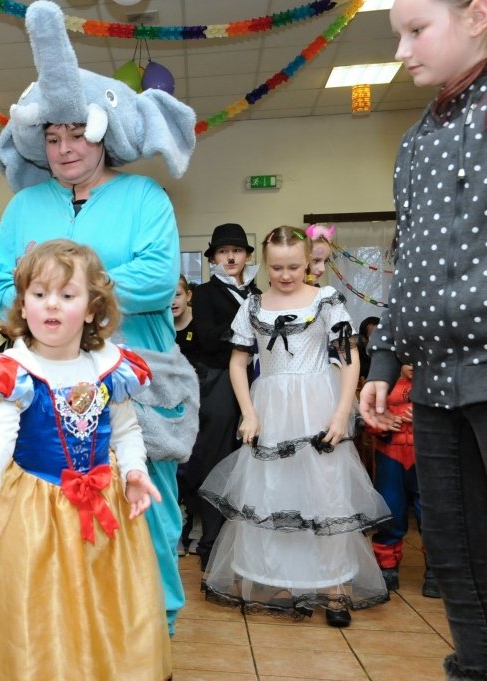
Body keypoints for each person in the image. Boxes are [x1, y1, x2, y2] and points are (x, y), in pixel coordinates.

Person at [0, 3, 198, 635]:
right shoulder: (24, 206)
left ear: (102, 135)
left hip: (137, 376)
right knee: (54, 507)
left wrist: (62, 293)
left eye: (76, 134)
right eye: (52, 138)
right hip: (46, 387)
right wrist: (47, 299)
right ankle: (72, 637)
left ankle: (155, 631)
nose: (65, 148)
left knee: (146, 502)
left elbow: (157, 279)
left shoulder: (145, 196)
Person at [0, 239, 170, 680]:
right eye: (39, 293)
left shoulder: (110, 367)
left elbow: (125, 429)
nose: (51, 304)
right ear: (23, 304)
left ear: (91, 309)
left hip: (103, 508)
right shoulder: (15, 371)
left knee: (106, 605)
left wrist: (133, 471)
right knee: (42, 608)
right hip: (36, 513)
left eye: (67, 295)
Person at [359, 2, 487, 677]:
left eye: (416, 31)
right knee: (455, 545)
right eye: (398, 35)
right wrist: (385, 358)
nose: (403, 51)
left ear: (476, 16)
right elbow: (408, 262)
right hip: (435, 383)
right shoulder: (415, 141)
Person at [200, 226, 390, 629]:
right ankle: (283, 580)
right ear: (265, 264)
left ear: (308, 263)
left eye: (293, 267)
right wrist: (249, 412)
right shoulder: (253, 304)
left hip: (318, 405)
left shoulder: (326, 299)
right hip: (270, 407)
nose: (285, 275)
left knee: (326, 495)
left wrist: (342, 413)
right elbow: (238, 362)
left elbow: (349, 357)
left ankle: (334, 588)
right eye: (276, 268)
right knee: (274, 493)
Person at [182, 223, 262, 571]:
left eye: (237, 251)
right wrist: (245, 324)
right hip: (218, 383)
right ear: (213, 257)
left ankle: (247, 544)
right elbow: (209, 340)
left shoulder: (259, 293)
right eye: (223, 251)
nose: (230, 257)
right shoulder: (203, 294)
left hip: (259, 381)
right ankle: (211, 545)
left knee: (253, 461)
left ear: (246, 256)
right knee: (216, 461)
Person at [363, 363, 437, 596]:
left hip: (427, 459)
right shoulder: (384, 385)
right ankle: (387, 568)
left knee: (433, 515)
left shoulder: (437, 384)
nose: (413, 365)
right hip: (390, 458)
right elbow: (369, 418)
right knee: (389, 512)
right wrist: (383, 423)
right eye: (407, 360)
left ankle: (436, 572)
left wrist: (428, 420)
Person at [171, 275, 200, 556]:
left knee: (196, 467)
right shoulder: (161, 328)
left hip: (199, 402)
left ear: (188, 295)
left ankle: (197, 525)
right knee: (175, 468)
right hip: (170, 405)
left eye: (177, 294)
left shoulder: (201, 324)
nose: (172, 301)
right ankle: (178, 527)